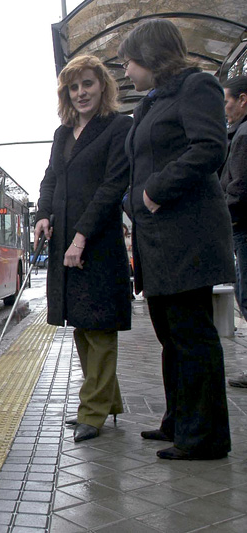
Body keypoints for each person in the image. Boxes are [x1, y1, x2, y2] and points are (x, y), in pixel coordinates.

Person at [119, 19, 233, 460]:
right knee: (171, 334)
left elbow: (208, 148)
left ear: (151, 57)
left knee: (191, 335)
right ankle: (178, 421)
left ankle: (204, 438)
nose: (126, 70)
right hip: (160, 239)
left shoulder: (197, 86)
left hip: (188, 236)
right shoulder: (152, 102)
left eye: (129, 61)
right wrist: (133, 201)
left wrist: (152, 192)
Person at [34, 55, 132, 443]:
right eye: (73, 88)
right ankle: (106, 401)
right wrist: (42, 215)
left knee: (100, 325)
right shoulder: (62, 134)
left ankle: (91, 410)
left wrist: (81, 237)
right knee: (81, 325)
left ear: (102, 86)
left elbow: (111, 188)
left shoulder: (118, 127)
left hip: (97, 242)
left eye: (87, 84)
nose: (81, 93)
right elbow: (50, 179)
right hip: (64, 242)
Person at [220, 77, 247, 388]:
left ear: (242, 99)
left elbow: (238, 186)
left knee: (246, 294)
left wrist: (221, 216)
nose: (224, 110)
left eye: (227, 103)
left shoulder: (242, 137)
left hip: (242, 226)